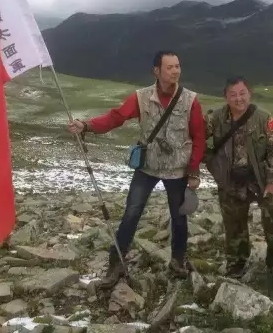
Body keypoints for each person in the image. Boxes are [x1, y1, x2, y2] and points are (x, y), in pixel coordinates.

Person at [67, 50, 206, 289]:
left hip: (177, 169)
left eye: (178, 66)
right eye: (170, 67)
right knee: (132, 213)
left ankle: (178, 260)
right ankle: (117, 262)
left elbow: (199, 136)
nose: (176, 71)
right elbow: (116, 117)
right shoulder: (141, 97)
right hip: (148, 166)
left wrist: (193, 171)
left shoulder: (190, 100)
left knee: (179, 217)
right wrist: (87, 125)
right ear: (156, 71)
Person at [203, 76, 273, 281]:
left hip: (259, 179)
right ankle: (237, 262)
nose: (238, 99)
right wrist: (210, 161)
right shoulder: (215, 118)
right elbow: (196, 138)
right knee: (233, 223)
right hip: (230, 180)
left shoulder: (263, 118)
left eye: (242, 93)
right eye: (233, 94)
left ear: (249, 93)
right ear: (225, 97)